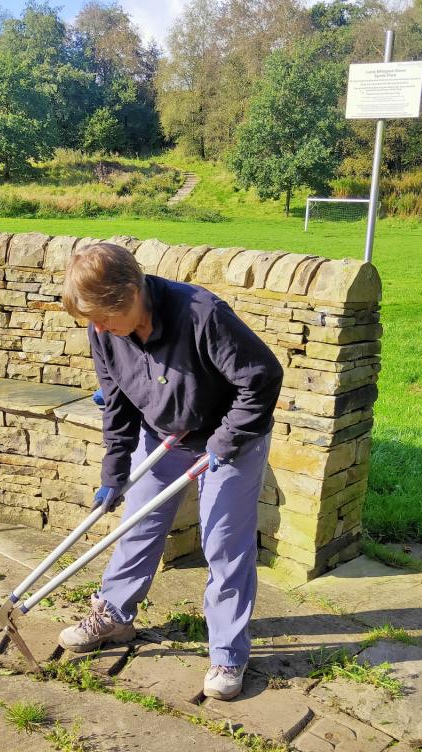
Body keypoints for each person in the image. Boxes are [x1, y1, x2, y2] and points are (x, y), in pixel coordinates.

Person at [57, 242, 283, 701]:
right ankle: (114, 616)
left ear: (132, 293)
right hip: (162, 435)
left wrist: (224, 442)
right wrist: (114, 470)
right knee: (137, 525)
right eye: (92, 321)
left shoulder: (201, 314)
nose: (98, 329)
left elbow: (261, 377)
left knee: (223, 544)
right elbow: (116, 402)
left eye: (103, 316)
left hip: (228, 438)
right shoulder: (104, 330)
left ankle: (227, 652)